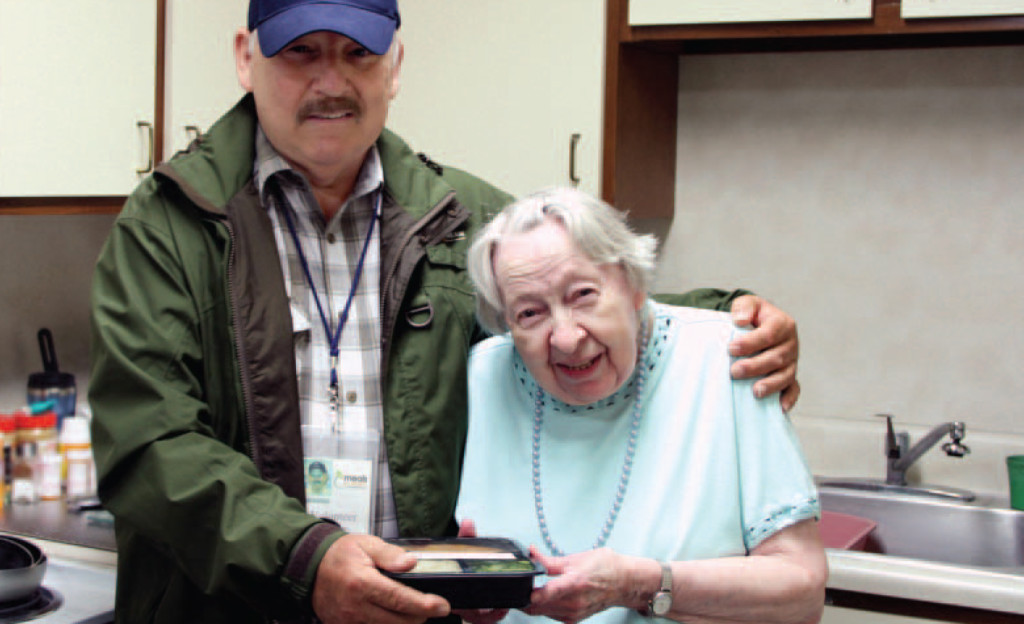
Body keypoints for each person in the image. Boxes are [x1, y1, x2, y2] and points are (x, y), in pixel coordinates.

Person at [87, 1, 802, 622]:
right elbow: (149, 445)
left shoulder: (458, 214)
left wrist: (730, 318)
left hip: (422, 611)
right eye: (300, 52)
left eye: (358, 54)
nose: (331, 81)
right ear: (247, 59)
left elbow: (581, 295)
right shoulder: (171, 224)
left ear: (394, 66)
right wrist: (307, 558)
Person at [456, 188, 826, 624]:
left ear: (633, 285)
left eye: (583, 295)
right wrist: (470, 602)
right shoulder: (485, 374)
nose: (566, 338)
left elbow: (801, 592)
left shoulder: (728, 357)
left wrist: (639, 584)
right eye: (530, 314)